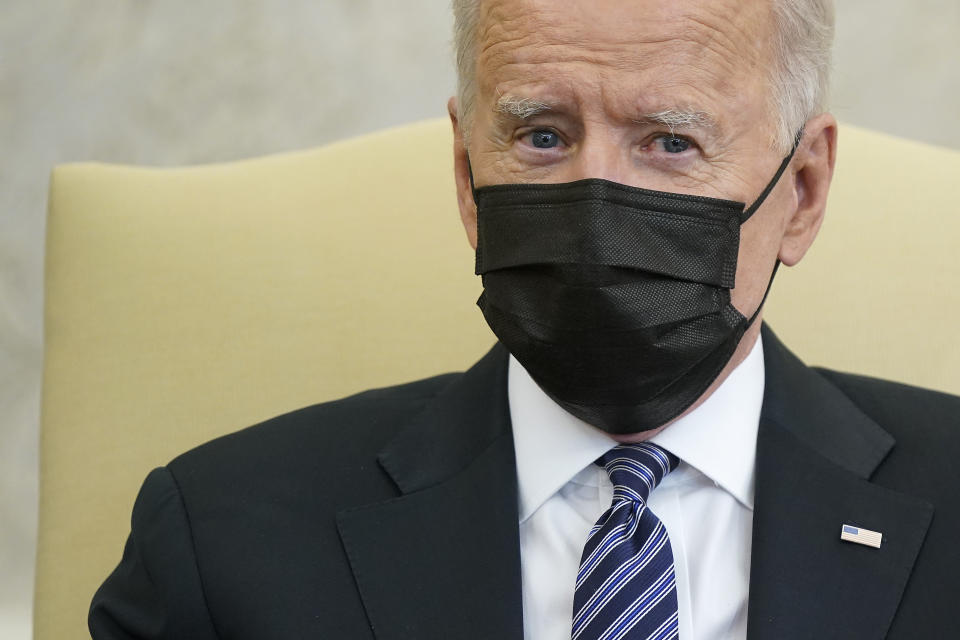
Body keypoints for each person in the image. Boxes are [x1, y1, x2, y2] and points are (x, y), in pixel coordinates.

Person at [89, 0, 959, 638]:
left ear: (802, 193)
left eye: (670, 142)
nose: (595, 208)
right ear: (468, 181)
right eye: (542, 136)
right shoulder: (221, 541)